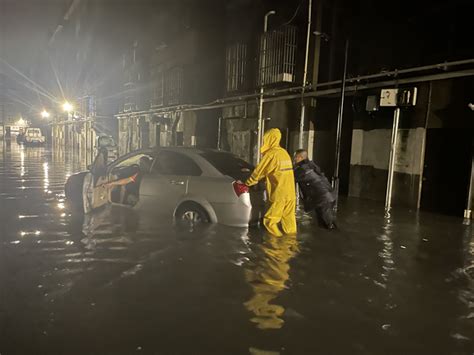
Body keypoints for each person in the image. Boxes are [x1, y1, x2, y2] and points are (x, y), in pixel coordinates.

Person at [246, 128, 297, 236]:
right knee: (289, 222)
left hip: (280, 194)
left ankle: (276, 246)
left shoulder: (271, 154)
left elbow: (258, 172)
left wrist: (247, 184)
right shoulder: (284, 153)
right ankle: (291, 245)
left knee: (270, 221)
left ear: (270, 139)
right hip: (291, 194)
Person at [293, 149, 336, 229]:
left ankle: (335, 238)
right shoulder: (312, 165)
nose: (294, 159)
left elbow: (288, 179)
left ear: (301, 157)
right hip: (329, 195)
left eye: (296, 157)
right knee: (326, 224)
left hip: (322, 199)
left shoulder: (301, 169)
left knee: (328, 226)